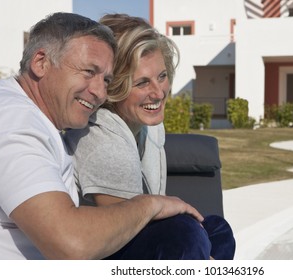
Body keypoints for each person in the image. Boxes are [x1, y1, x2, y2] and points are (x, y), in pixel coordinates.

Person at [0, 12, 209, 260]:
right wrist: (152, 204)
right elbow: (70, 242)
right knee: (183, 234)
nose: (99, 92)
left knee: (209, 231)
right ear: (41, 62)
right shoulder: (14, 122)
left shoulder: (32, 119)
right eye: (88, 71)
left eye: (106, 79)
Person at [64, 13, 236, 260]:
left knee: (217, 229)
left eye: (162, 76)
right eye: (142, 83)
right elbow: (121, 232)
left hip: (134, 238)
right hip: (102, 251)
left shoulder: (147, 127)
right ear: (115, 87)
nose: (158, 93)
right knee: (185, 233)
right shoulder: (101, 140)